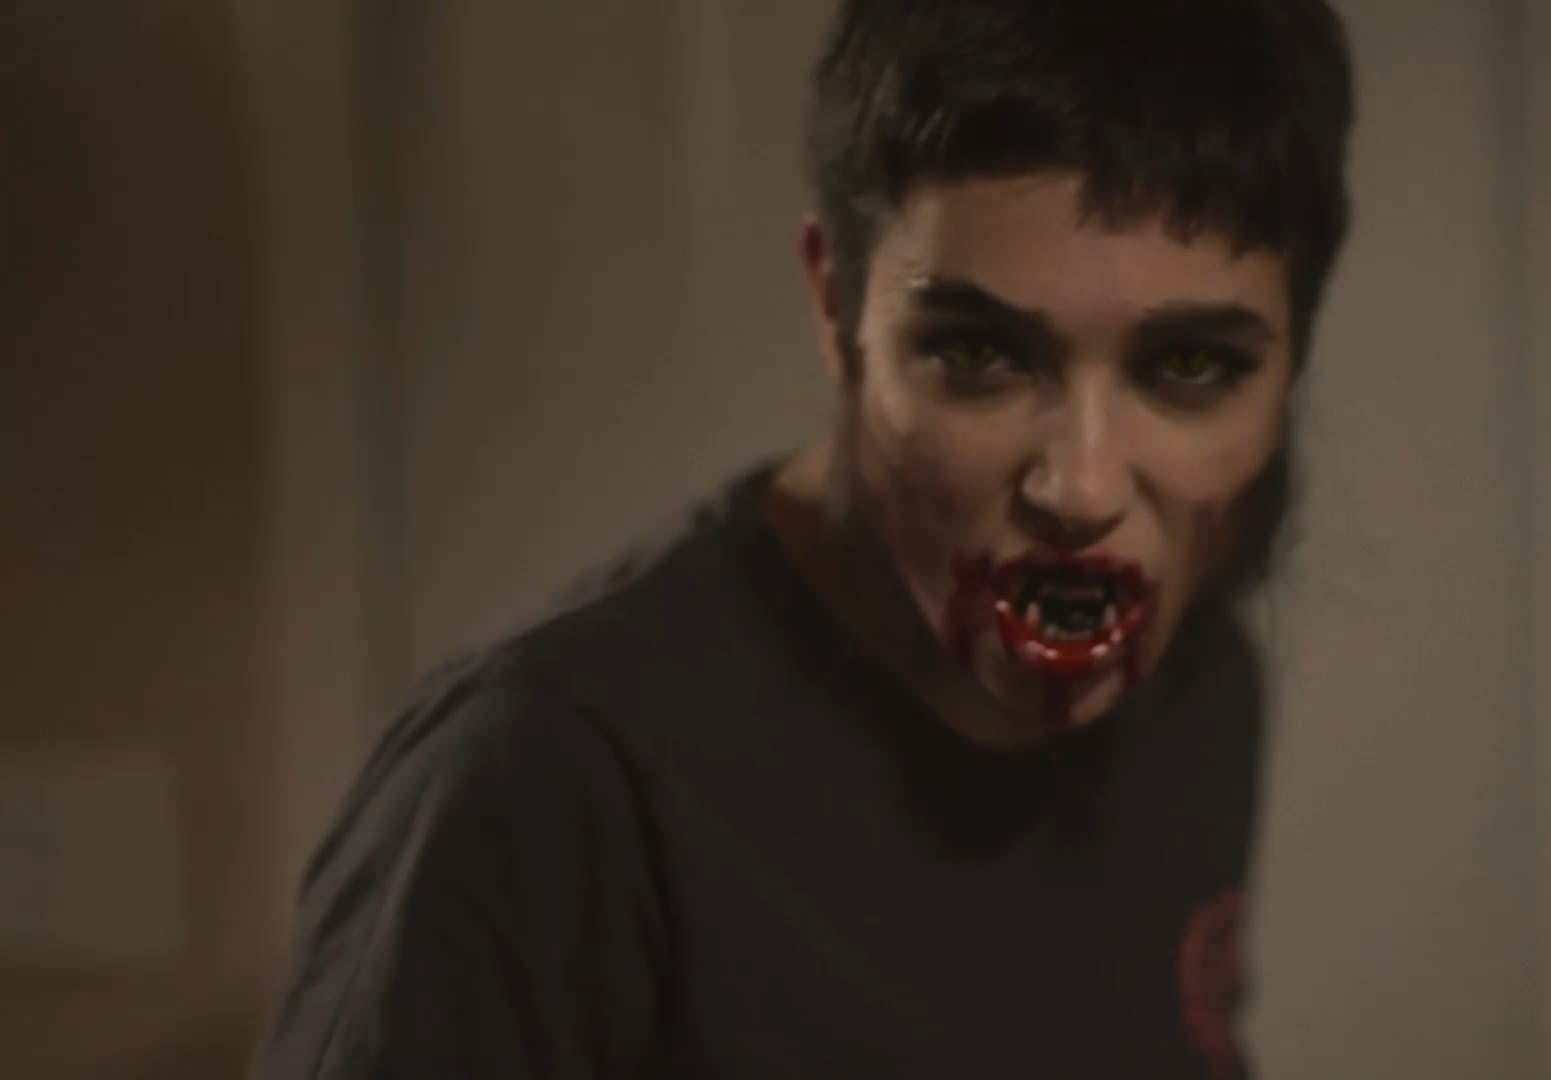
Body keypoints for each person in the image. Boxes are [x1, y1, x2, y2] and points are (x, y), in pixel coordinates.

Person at [252, 0, 1354, 1076]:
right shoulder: (549, 777)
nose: (1081, 488)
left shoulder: (1199, 686)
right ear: (838, 307)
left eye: (1191, 367)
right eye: (977, 355)